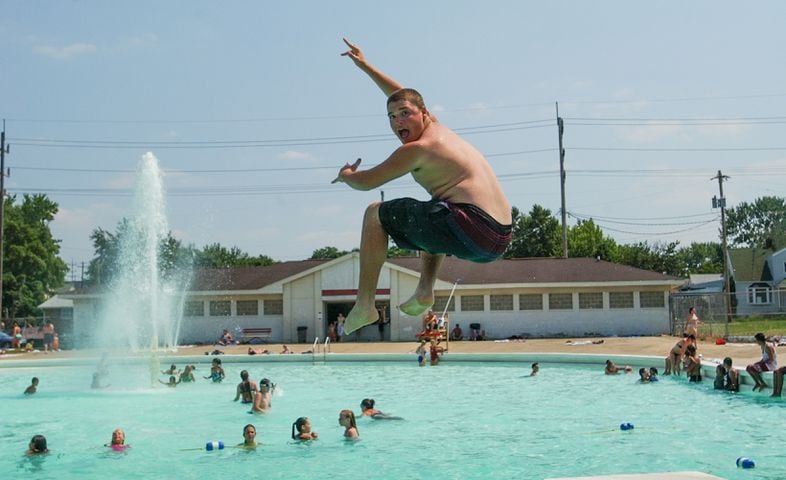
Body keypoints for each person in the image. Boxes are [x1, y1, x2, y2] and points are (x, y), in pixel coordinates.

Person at [335, 38, 512, 335]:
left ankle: (364, 304)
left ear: (424, 113)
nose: (397, 121)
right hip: (499, 235)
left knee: (374, 214)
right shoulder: (440, 131)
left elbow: (366, 183)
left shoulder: (418, 148)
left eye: (405, 114)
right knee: (434, 208)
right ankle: (424, 291)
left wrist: (346, 174)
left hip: (473, 227)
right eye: (392, 117)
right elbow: (401, 95)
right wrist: (366, 66)